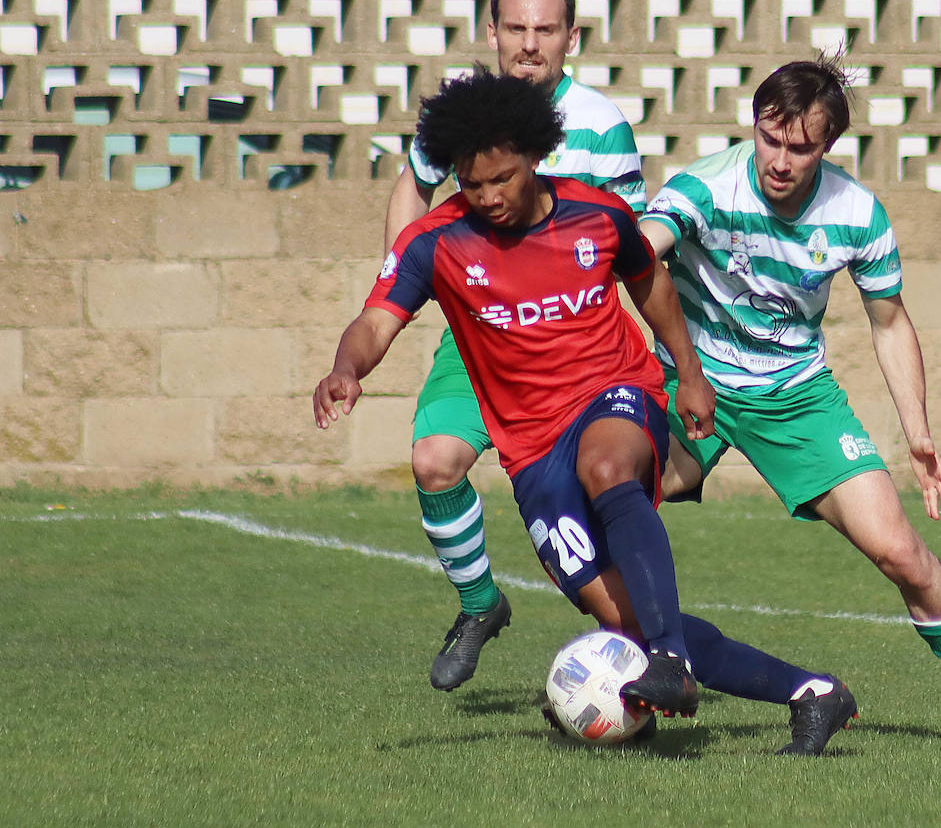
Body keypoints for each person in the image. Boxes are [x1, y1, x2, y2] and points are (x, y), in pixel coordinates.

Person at [315, 68, 859, 755]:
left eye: (502, 178)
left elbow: (653, 285)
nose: (487, 197)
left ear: (536, 158)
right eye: (470, 183)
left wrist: (689, 376)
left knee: (608, 466)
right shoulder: (436, 241)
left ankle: (667, 660)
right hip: (531, 449)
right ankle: (814, 694)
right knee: (620, 618)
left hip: (614, 393)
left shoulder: (596, 216)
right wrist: (345, 369)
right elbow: (375, 320)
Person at [639, 55, 941, 743]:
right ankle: (646, 676)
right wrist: (684, 367)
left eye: (801, 147)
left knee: (900, 552)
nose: (780, 158)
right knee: (604, 518)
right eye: (771, 137)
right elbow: (641, 253)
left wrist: (918, 436)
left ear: (826, 148)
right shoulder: (705, 187)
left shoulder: (855, 214)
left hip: (796, 399)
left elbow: (888, 322)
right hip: (690, 388)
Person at [383, 0, 646, 692]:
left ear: (571, 38)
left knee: (590, 524)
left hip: (573, 353)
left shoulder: (602, 126)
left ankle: (636, 667)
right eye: (517, 29)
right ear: (492, 33)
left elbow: (635, 244)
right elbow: (413, 179)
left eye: (546, 30)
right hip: (484, 337)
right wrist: (401, 271)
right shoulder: (464, 116)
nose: (530, 45)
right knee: (435, 462)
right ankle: (479, 604)